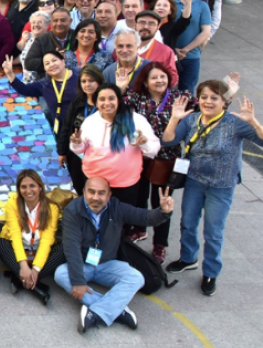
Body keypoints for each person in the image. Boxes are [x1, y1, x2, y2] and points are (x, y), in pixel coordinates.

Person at [162, 83, 263, 296]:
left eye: (214, 98)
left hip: (221, 186)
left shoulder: (235, 123)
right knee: (188, 223)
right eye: (204, 97)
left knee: (213, 231)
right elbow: (168, 139)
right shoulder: (191, 119)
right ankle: (188, 258)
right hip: (194, 181)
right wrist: (174, 118)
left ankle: (210, 271)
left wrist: (253, 121)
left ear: (224, 102)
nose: (208, 101)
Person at [54, 177, 175, 333]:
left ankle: (96, 312)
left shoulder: (117, 207)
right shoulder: (73, 210)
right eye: (91, 192)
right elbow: (72, 248)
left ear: (109, 195)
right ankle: (117, 310)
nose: (95, 197)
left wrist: (163, 212)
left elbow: (144, 216)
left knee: (136, 278)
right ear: (83, 192)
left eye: (101, 193)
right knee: (61, 274)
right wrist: (78, 280)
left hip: (108, 264)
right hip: (83, 264)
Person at [120, 62, 195, 261]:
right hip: (141, 155)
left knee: (161, 201)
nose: (159, 80)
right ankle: (139, 228)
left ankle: (160, 244)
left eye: (162, 76)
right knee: (139, 196)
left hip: (167, 159)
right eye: (154, 77)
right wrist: (120, 88)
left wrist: (228, 92)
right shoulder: (137, 98)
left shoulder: (180, 99)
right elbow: (118, 107)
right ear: (145, 81)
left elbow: (209, 104)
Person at [70, 84, 160, 207]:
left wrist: (144, 143)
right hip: (95, 183)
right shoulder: (90, 122)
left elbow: (154, 150)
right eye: (102, 99)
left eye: (111, 98)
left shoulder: (136, 120)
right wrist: (76, 144)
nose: (107, 103)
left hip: (125, 184)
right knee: (97, 220)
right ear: (96, 103)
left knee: (122, 223)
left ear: (118, 100)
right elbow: (80, 150)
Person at [0, 170, 64, 304]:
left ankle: (20, 279)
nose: (28, 190)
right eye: (23, 187)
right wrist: (24, 267)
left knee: (64, 249)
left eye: (32, 186)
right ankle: (35, 286)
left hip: (40, 251)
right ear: (19, 189)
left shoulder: (51, 208)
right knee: (0, 243)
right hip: (19, 251)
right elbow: (14, 236)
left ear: (40, 187)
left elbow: (47, 240)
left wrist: (36, 269)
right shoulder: (12, 204)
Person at [3, 50, 78, 135]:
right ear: (45, 69)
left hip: (82, 125)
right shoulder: (44, 84)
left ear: (63, 61)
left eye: (54, 60)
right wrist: (10, 73)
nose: (52, 65)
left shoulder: (79, 75)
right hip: (62, 130)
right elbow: (24, 89)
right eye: (47, 63)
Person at [57, 65, 105, 195]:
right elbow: (67, 127)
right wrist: (62, 152)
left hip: (98, 155)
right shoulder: (78, 101)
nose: (87, 84)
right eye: (84, 81)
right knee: (79, 186)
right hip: (76, 155)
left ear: (99, 82)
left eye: (91, 81)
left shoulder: (106, 103)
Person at [172, 0, 212, 93]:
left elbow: (206, 32)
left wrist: (186, 49)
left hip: (191, 56)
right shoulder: (169, 4)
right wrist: (173, 50)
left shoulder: (202, 6)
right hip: (170, 54)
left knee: (187, 91)